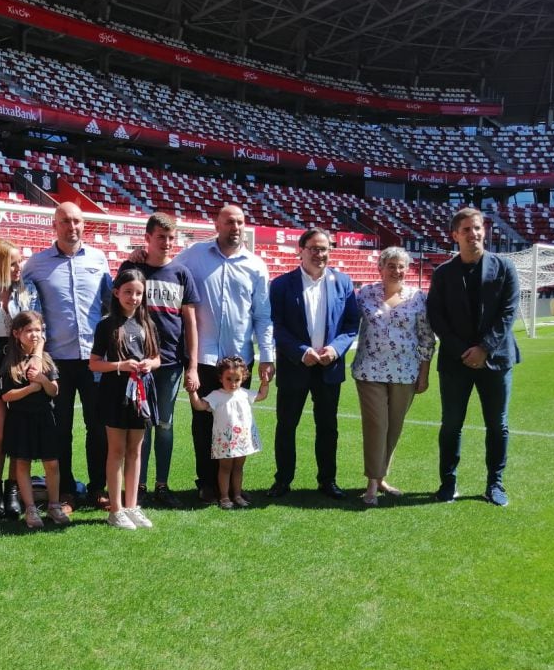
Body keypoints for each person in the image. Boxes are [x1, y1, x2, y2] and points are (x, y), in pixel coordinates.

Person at [173, 204, 274, 502]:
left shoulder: (256, 265)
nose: (236, 227)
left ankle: (231, 487)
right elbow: (168, 269)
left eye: (240, 222)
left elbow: (263, 315)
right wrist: (141, 258)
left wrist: (267, 355)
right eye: (229, 222)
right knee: (203, 422)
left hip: (240, 359)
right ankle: (206, 482)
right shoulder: (194, 255)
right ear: (217, 225)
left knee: (234, 420)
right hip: (203, 357)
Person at [427, 207, 520, 506]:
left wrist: (484, 348)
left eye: (477, 227)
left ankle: (495, 484)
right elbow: (436, 316)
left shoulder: (505, 267)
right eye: (466, 229)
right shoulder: (443, 273)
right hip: (456, 363)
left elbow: (508, 313)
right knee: (451, 424)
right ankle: (447, 483)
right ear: (455, 235)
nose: (474, 234)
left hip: (496, 360)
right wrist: (461, 351)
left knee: (497, 425)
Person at [21, 202, 113, 507]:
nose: (71, 227)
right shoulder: (36, 264)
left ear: (83, 225)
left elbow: (110, 305)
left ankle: (99, 486)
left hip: (94, 359)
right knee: (60, 428)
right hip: (57, 360)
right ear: (54, 225)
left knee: (97, 427)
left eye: (76, 221)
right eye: (64, 221)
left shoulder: (99, 260)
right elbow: (28, 310)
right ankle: (65, 491)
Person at [267, 228, 359, 501]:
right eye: (314, 249)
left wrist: (335, 348)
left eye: (325, 249)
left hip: (329, 368)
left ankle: (328, 480)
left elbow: (352, 324)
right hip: (295, 367)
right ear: (301, 250)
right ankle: (283, 480)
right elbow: (276, 326)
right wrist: (301, 351)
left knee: (328, 427)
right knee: (286, 426)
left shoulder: (343, 282)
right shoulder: (282, 284)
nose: (320, 254)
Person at [117, 212, 200, 509]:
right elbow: (116, 309)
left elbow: (190, 321)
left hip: (169, 364)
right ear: (148, 238)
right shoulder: (132, 268)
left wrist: (192, 364)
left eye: (170, 237)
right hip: (135, 364)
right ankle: (137, 486)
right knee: (140, 426)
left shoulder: (181, 274)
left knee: (164, 424)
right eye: (160, 237)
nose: (166, 243)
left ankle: (161, 485)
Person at [351, 247, 435, 507]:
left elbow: (426, 337)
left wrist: (424, 373)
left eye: (401, 266)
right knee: (376, 425)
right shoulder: (365, 294)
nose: (397, 271)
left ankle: (382, 476)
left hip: (406, 373)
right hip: (369, 370)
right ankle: (372, 484)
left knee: (394, 427)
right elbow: (345, 323)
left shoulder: (418, 298)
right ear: (380, 267)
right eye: (391, 265)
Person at [89, 268, 160, 530]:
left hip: (141, 394)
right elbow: (94, 364)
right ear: (117, 292)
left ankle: (132, 506)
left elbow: (156, 358)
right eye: (128, 292)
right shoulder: (106, 325)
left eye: (139, 293)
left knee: (136, 451)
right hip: (115, 393)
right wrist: (121, 365)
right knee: (116, 451)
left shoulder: (148, 324)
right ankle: (115, 510)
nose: (133, 297)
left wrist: (148, 365)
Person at [0, 239, 39, 521]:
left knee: (18, 431)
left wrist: (36, 358)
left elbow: (38, 328)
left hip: (19, 362)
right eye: (12, 262)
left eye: (19, 261)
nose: (18, 267)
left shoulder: (27, 290)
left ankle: (13, 491)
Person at [0, 311, 66, 529]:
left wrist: (43, 381)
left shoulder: (45, 358)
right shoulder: (10, 360)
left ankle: (54, 505)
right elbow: (6, 396)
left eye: (38, 330)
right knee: (22, 463)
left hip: (45, 418)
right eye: (29, 330)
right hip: (20, 419)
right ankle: (30, 508)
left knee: (52, 463)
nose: (34, 335)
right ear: (17, 333)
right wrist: (30, 389)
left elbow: (54, 390)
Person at [186, 356, 270, 509]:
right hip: (224, 440)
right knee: (224, 468)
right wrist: (192, 392)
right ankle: (224, 497)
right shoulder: (216, 395)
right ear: (220, 378)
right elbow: (199, 406)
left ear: (243, 377)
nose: (232, 383)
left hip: (242, 439)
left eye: (236, 379)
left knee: (238, 467)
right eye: (228, 379)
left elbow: (262, 395)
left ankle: (237, 495)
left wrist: (265, 382)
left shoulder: (245, 393)